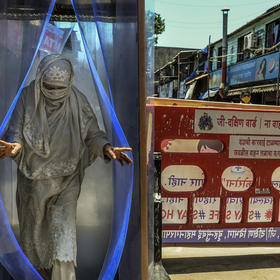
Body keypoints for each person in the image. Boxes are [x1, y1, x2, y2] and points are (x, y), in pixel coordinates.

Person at [0, 54, 132, 280]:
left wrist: (106, 148)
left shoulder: (77, 101)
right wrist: (13, 147)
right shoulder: (26, 98)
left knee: (64, 238)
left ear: (69, 84)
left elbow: (93, 134)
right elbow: (15, 132)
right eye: (49, 87)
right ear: (40, 80)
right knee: (34, 241)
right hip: (33, 183)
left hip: (67, 180)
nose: (54, 92)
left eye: (60, 88)